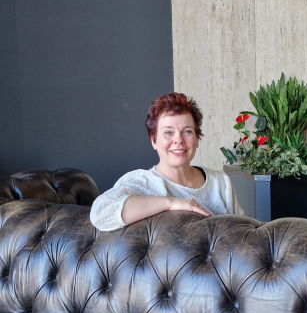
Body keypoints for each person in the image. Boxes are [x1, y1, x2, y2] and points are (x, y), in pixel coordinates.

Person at [90, 92, 244, 231]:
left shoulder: (220, 182)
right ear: (154, 140)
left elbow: (242, 232)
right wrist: (170, 203)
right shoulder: (143, 183)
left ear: (197, 138)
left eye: (187, 131)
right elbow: (100, 214)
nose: (179, 140)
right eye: (168, 132)